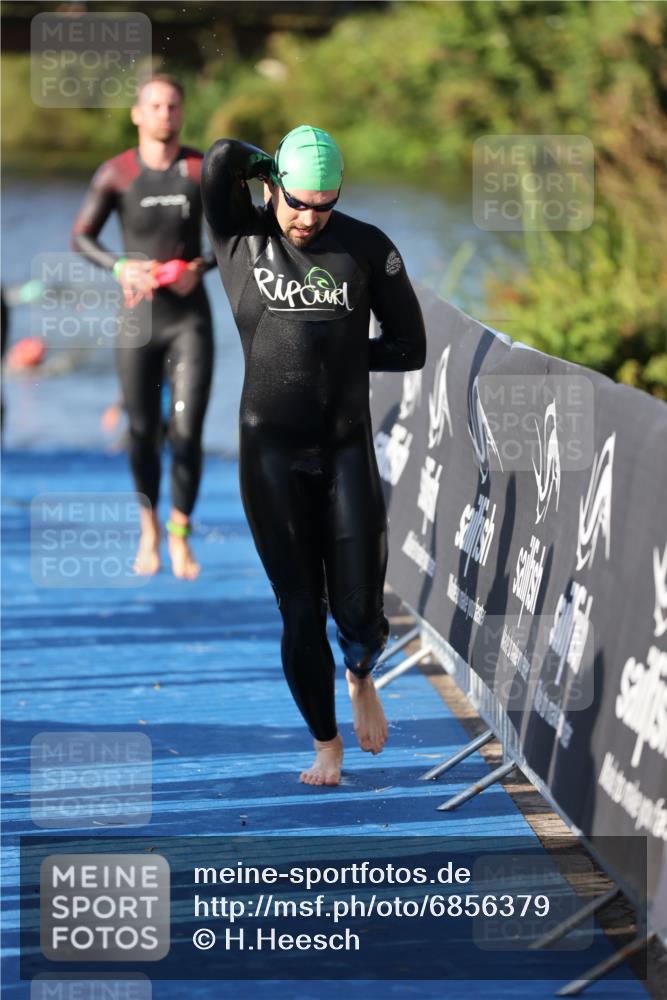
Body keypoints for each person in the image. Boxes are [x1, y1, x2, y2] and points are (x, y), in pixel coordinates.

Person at [201, 125, 426, 785]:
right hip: (269, 454)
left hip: (345, 447)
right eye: (296, 201)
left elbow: (409, 348)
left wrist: (342, 354)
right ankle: (325, 744)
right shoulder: (241, 237)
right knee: (300, 609)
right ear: (272, 186)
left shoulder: (365, 246)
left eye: (322, 206)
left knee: (358, 610)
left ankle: (360, 673)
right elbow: (219, 158)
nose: (307, 217)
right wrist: (269, 162)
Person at [72, 74, 216, 579]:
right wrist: (120, 267)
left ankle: (179, 533)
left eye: (173, 106)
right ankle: (149, 527)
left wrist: (197, 267)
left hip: (189, 319)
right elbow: (81, 236)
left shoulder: (200, 169)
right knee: (141, 433)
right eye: (154, 106)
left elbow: (236, 236)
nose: (164, 115)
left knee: (187, 431)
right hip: (138, 321)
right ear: (137, 114)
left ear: (182, 112)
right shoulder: (117, 173)